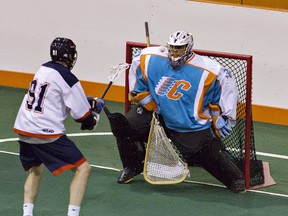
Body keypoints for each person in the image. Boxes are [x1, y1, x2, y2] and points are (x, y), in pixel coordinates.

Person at [104, 31, 246, 193]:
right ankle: (133, 165)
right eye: (172, 47)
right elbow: (139, 80)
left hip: (186, 123)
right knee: (123, 124)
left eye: (180, 48)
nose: (175, 51)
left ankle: (233, 178)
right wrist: (151, 104)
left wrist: (222, 115)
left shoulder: (208, 69)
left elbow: (225, 85)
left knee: (201, 153)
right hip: (156, 114)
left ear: (189, 48)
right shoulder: (151, 58)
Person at [13, 37, 104, 216]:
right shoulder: (68, 78)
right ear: (70, 56)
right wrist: (93, 117)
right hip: (45, 132)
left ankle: (27, 213)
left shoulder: (43, 68)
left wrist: (88, 104)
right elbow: (82, 117)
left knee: (36, 170)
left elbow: (52, 97)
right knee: (83, 169)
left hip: (24, 127)